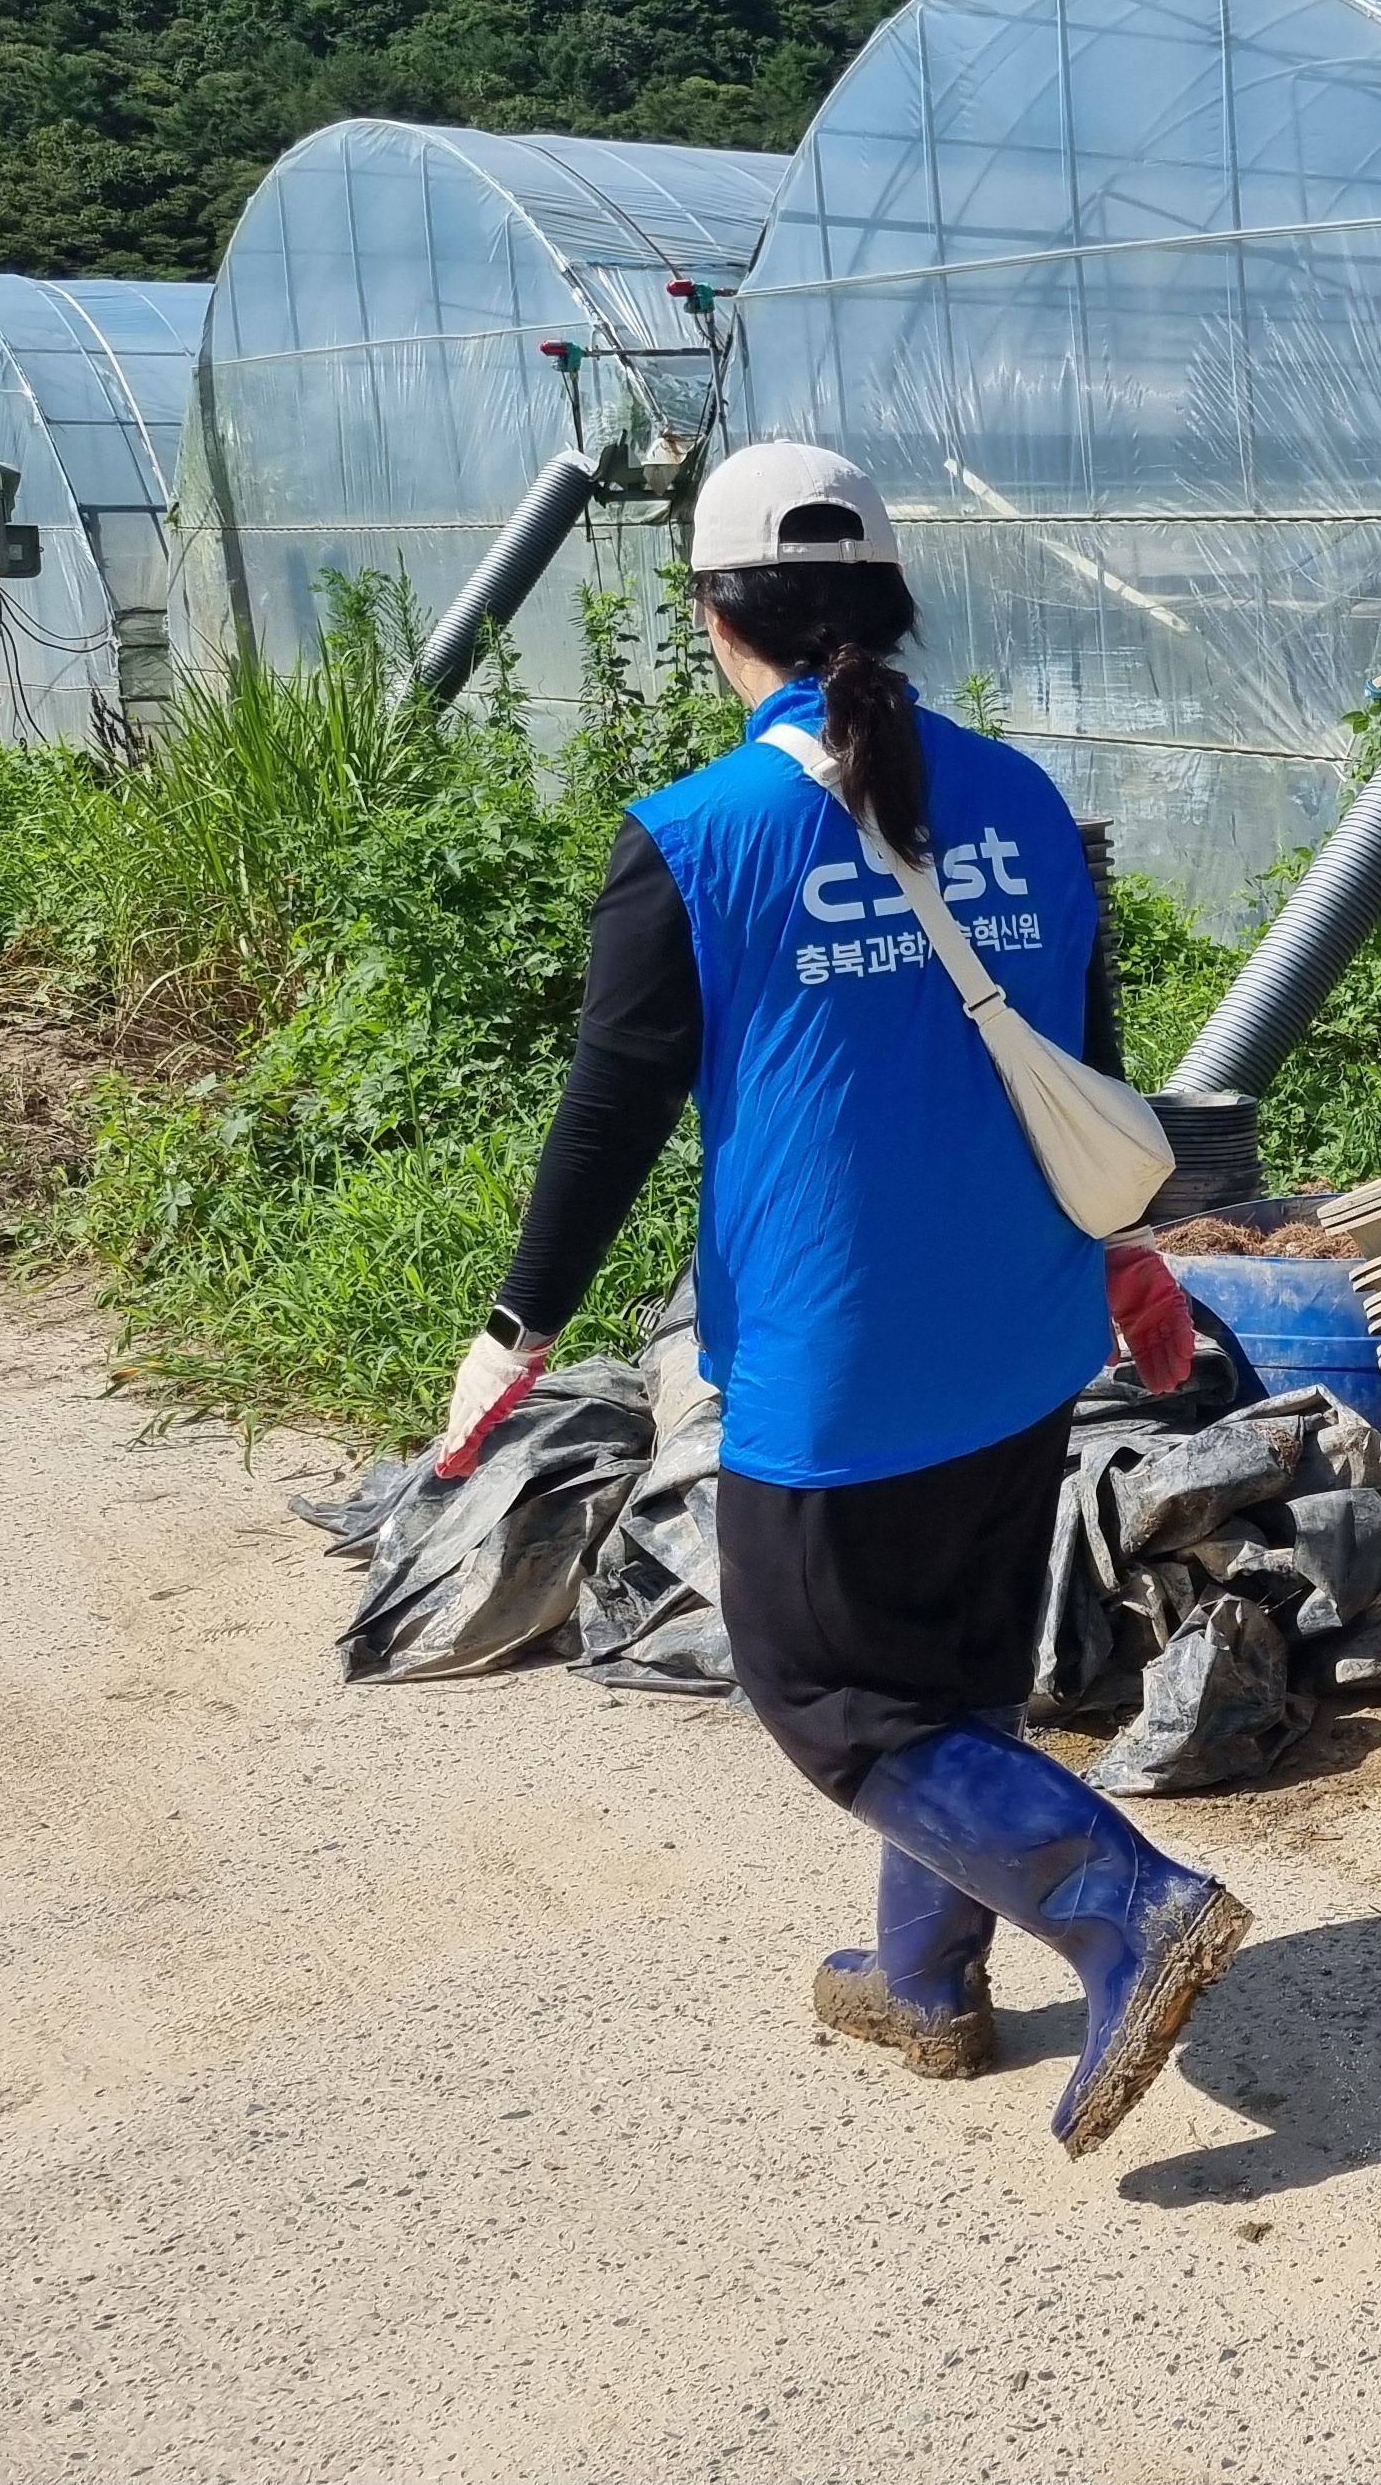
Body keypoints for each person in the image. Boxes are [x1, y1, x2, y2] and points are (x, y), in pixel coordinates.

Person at [426, 441, 1242, 2159]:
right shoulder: (1021, 794)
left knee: (833, 1700)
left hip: (839, 1358)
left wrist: (514, 1328)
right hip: (1025, 1324)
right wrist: (1131, 1252)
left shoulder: (699, 836)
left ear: (716, 613)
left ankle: (1119, 1904)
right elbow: (1086, 1076)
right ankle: (923, 1980)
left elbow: (606, 1114)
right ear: (889, 604)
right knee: (948, 1673)